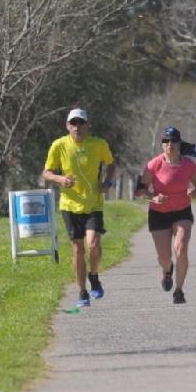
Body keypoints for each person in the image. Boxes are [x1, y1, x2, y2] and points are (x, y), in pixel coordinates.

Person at [42, 108, 116, 308]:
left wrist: (107, 182)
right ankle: (82, 292)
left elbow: (111, 164)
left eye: (81, 123)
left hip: (93, 203)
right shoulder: (59, 145)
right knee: (78, 249)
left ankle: (94, 276)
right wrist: (61, 179)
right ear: (67, 126)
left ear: (88, 125)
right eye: (73, 123)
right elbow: (46, 173)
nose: (77, 127)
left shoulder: (99, 144)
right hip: (69, 205)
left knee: (93, 244)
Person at [136, 127, 196, 304]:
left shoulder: (189, 165)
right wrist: (153, 197)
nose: (170, 144)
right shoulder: (154, 164)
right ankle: (167, 271)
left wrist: (194, 192)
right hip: (158, 214)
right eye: (166, 141)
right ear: (162, 145)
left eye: (173, 141)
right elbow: (140, 190)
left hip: (182, 212)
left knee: (181, 249)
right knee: (164, 257)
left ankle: (179, 290)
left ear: (179, 143)